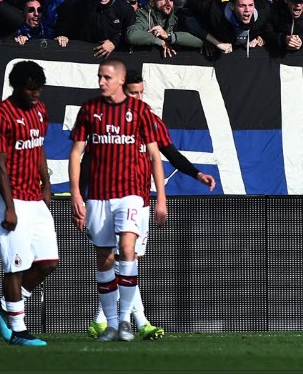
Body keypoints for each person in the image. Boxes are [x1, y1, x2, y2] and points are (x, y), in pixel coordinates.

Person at [86, 71, 216, 341]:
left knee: (128, 260)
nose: (138, 97)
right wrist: (83, 197)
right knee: (122, 258)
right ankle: (136, 321)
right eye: (132, 93)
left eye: (141, 92)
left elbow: (170, 153)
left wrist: (197, 174)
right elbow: (89, 159)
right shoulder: (105, 119)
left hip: (139, 200)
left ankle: (106, 320)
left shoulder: (150, 120)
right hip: (109, 198)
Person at [67, 59, 168, 342]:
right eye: (99, 76)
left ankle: (125, 321)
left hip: (131, 194)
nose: (101, 82)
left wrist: (161, 198)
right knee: (105, 258)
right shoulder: (89, 109)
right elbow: (76, 153)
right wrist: (76, 194)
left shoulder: (140, 111)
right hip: (98, 195)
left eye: (107, 77)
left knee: (127, 249)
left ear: (121, 80)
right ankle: (111, 324)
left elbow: (155, 156)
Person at [0, 61, 58, 347]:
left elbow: (38, 147)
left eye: (39, 88)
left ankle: (3, 306)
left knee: (48, 261)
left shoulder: (40, 110)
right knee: (15, 265)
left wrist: (46, 183)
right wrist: (9, 206)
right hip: (9, 196)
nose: (36, 93)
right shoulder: (0, 115)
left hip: (33, 194)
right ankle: (17, 330)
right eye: (30, 89)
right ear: (16, 87)